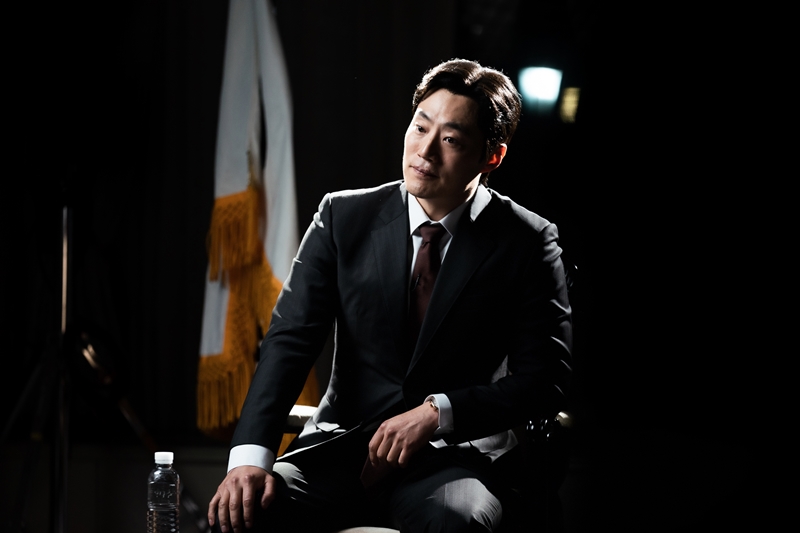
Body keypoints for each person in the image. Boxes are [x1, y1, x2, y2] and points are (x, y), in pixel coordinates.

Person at [208, 58, 572, 533]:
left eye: (451, 139)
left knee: (457, 523)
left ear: (492, 157)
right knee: (242, 513)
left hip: (452, 461)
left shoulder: (527, 241)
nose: (425, 151)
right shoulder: (342, 217)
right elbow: (289, 342)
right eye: (420, 127)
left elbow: (544, 381)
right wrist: (248, 460)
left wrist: (438, 413)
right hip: (341, 451)